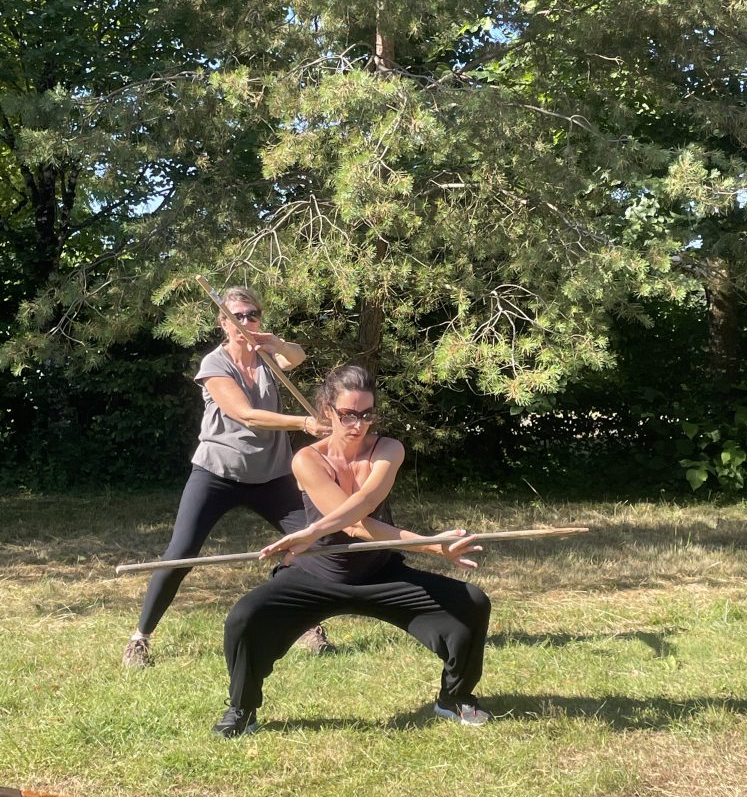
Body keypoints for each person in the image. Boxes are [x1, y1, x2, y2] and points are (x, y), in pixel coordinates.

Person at [212, 363, 492, 738]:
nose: (358, 424)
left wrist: (312, 531)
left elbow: (364, 504)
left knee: (471, 603)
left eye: (366, 414)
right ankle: (242, 709)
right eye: (347, 415)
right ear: (328, 410)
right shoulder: (307, 460)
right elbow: (352, 524)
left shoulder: (388, 449)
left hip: (380, 574)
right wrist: (429, 544)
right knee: (245, 619)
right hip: (317, 576)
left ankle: (454, 698)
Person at [122, 286, 333, 667]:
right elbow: (246, 414)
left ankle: (306, 623)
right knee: (180, 555)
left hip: (271, 475)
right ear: (223, 323)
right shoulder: (215, 365)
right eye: (237, 317)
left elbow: (297, 358)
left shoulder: (267, 357)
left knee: (311, 543)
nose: (245, 322)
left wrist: (277, 343)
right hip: (218, 473)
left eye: (252, 315)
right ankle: (140, 638)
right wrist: (304, 422)